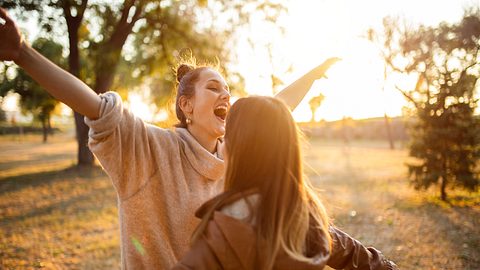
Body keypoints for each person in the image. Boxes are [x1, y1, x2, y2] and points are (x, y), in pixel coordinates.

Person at [0, 8, 340, 269]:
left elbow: (276, 109)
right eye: (213, 88)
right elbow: (94, 105)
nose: (227, 96)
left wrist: (317, 71)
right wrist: (22, 52)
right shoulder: (149, 149)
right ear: (186, 105)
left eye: (228, 90)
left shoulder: (234, 153)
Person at [173, 96, 398, 270]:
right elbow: (352, 254)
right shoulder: (301, 213)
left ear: (237, 149)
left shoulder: (226, 228)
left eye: (227, 138)